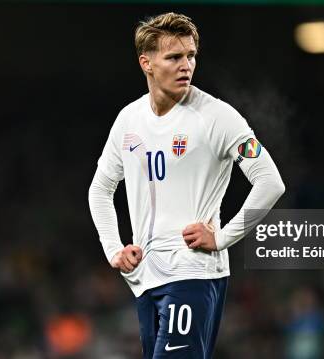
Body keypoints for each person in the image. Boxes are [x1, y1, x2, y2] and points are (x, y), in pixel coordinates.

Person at [88, 12, 285, 358]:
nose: (187, 65)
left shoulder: (217, 117)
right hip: (145, 278)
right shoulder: (129, 120)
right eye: (174, 57)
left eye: (191, 55)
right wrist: (113, 249)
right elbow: (100, 189)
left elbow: (270, 182)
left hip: (193, 271)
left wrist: (223, 237)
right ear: (146, 63)